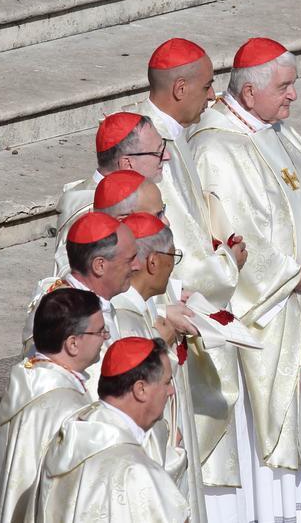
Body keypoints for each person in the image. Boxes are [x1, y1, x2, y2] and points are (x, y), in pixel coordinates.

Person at [190, 37, 301, 522]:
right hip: (258, 317)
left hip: (295, 303)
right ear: (249, 93)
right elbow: (237, 234)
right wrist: (292, 276)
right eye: (285, 86)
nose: (294, 95)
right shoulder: (216, 147)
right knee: (259, 427)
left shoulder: (280, 133)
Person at [131, 37, 249, 507]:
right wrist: (225, 265)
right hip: (169, 310)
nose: (215, 94)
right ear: (179, 88)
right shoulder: (147, 148)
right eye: (207, 85)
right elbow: (164, 245)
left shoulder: (173, 138)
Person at [0, 289, 105, 523]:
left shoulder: (28, 380)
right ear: (73, 343)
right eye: (99, 332)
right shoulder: (68, 409)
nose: (105, 337)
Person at [110, 212, 206, 522]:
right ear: (152, 262)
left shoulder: (140, 309)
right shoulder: (124, 321)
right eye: (172, 257)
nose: (172, 265)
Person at [30, 337, 189, 522]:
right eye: (167, 382)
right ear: (141, 389)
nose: (171, 392)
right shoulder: (137, 471)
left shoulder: (70, 436)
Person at [52, 112, 169, 276]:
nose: (167, 157)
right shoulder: (90, 214)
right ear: (127, 163)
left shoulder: (132, 194)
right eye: (158, 153)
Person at [23, 212, 140, 372]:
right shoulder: (72, 320)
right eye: (130, 259)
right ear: (100, 266)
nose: (137, 266)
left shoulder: (85, 301)